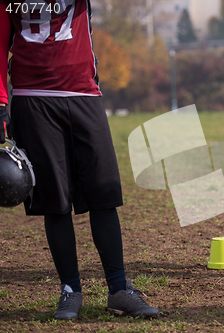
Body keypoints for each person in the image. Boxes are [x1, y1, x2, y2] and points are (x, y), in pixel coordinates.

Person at [0, 0, 158, 319]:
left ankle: (119, 289)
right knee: (55, 201)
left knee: (104, 193)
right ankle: (70, 289)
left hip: (84, 94)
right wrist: (1, 104)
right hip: (33, 99)